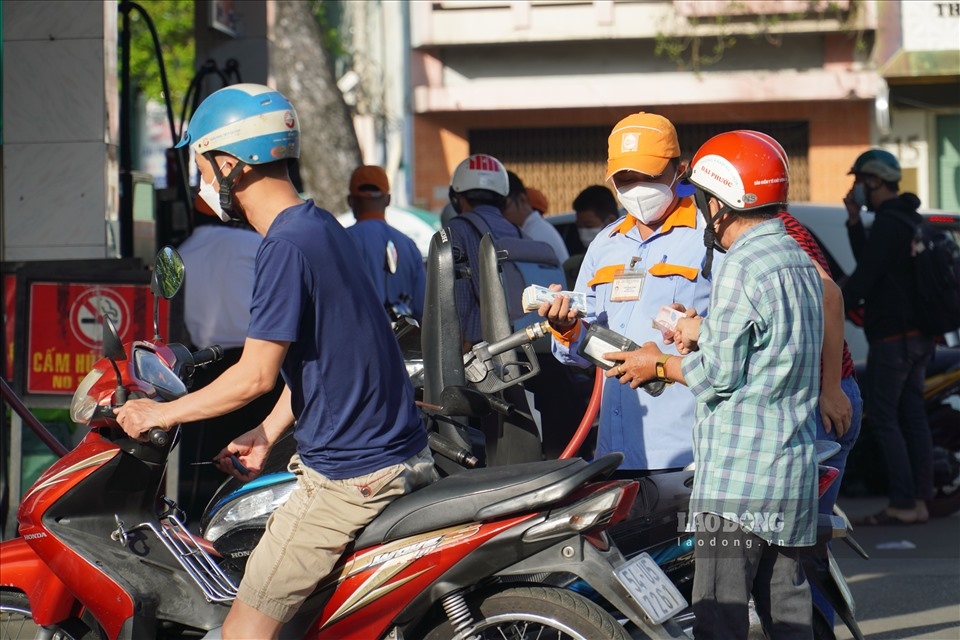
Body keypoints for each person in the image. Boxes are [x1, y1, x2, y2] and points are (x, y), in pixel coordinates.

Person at [115, 83, 436, 640]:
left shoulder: (285, 247)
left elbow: (254, 375)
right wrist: (266, 431)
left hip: (349, 477)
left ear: (232, 164)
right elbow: (326, 360)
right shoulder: (318, 228)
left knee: (244, 626)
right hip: (390, 456)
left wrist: (158, 415)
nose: (201, 182)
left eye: (202, 165)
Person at [613, 130, 822, 638]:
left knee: (719, 615)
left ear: (717, 205)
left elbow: (719, 375)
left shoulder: (741, 263)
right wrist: (701, 331)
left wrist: (658, 363)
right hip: (791, 474)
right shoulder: (796, 257)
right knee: (789, 614)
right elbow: (771, 348)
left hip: (735, 484)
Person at [537, 112, 713, 474]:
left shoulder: (710, 237)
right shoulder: (607, 243)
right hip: (615, 450)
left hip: (686, 451)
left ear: (679, 170)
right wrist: (567, 329)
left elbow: (736, 337)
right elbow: (587, 347)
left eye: (647, 176)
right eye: (624, 178)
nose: (636, 187)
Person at [842, 148, 935, 526]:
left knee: (883, 416)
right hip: (920, 338)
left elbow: (865, 277)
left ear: (875, 181)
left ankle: (901, 502)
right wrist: (851, 222)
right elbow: (874, 266)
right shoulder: (908, 219)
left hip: (893, 339)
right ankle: (920, 502)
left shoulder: (888, 223)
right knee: (912, 415)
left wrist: (828, 308)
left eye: (859, 181)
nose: (855, 188)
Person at [176, 203, 283, 518]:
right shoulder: (256, 245)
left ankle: (201, 517)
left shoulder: (182, 250)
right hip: (255, 357)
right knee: (259, 448)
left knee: (207, 455)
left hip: (203, 361)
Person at [345, 165, 427, 322]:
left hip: (361, 338)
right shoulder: (409, 245)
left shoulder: (341, 240)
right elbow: (422, 307)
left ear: (351, 200)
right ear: (388, 199)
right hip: (403, 342)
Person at [502, 171, 570, 264]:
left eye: (503, 206)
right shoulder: (534, 230)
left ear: (522, 199)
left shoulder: (536, 236)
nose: (499, 214)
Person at [562, 185, 621, 289]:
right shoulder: (574, 265)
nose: (583, 231)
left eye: (588, 226)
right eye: (579, 226)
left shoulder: (629, 255)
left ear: (611, 221)